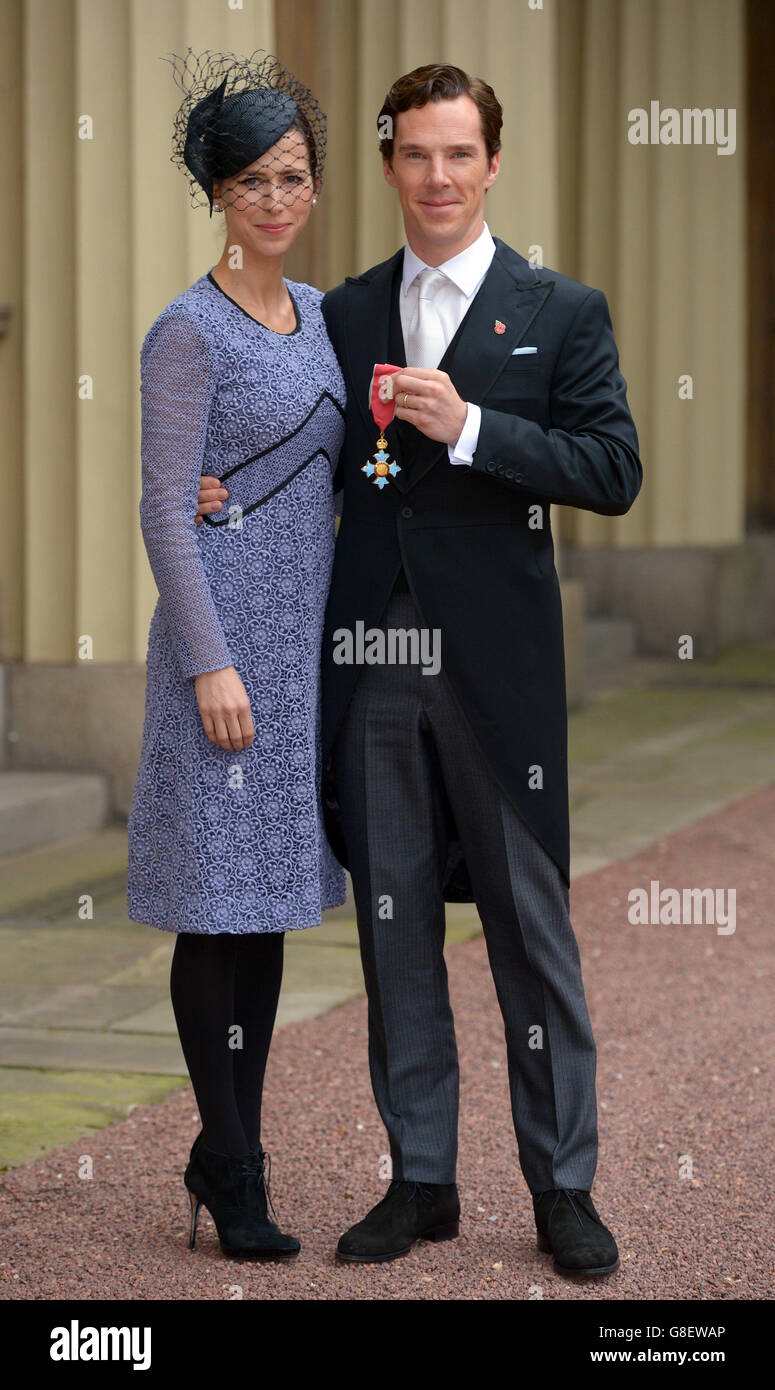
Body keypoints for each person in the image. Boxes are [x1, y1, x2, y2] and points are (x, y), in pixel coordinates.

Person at [197, 63, 642, 1279]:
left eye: (460, 155)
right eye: (414, 156)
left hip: (496, 673)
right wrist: (217, 487)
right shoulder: (341, 314)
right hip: (371, 661)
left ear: (492, 164)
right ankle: (422, 1178)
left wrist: (479, 431)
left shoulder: (561, 309)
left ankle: (562, 1187)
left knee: (527, 930)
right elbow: (294, 444)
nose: (437, 177)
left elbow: (613, 468)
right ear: (389, 167)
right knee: (393, 927)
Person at [126, 48, 346, 1260]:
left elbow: (347, 465)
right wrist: (211, 660)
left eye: (294, 176)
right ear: (218, 190)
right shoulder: (184, 332)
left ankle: (228, 1146)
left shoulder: (323, 315)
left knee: (262, 911)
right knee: (214, 910)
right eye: (253, 180)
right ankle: (236, 1163)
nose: (276, 198)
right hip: (222, 653)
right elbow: (167, 506)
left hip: (302, 646)